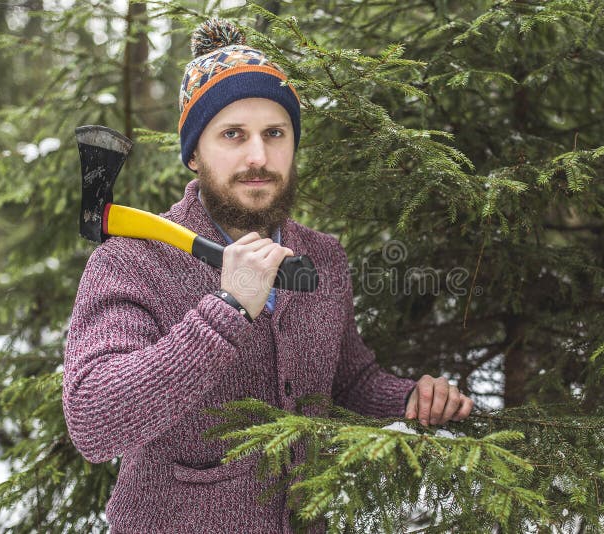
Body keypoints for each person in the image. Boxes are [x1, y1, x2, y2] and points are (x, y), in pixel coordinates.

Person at [63, 18, 474, 534]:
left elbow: (347, 380)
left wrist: (408, 398)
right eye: (233, 134)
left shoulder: (320, 257)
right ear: (194, 153)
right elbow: (93, 421)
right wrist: (227, 310)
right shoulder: (132, 261)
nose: (258, 157)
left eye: (274, 134)